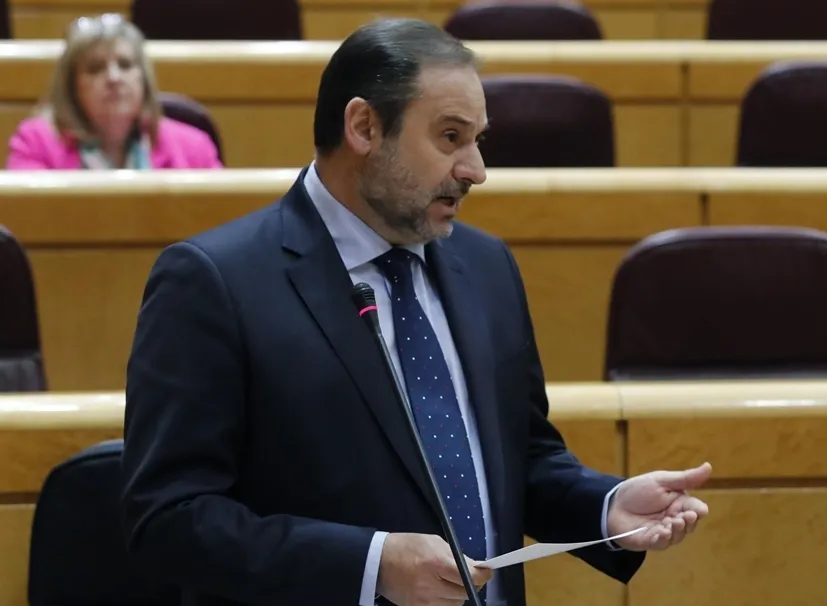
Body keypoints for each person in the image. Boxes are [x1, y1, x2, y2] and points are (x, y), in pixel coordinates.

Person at [119, 18, 711, 606]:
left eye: (478, 141)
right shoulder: (215, 282)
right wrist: (370, 566)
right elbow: (168, 520)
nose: (475, 170)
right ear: (364, 126)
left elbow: (520, 457)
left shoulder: (486, 266)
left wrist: (604, 507)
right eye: (451, 137)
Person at [6, 13, 221, 170]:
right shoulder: (35, 144)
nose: (114, 78)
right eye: (95, 68)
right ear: (72, 86)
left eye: (125, 65)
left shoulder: (194, 147)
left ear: (144, 79)